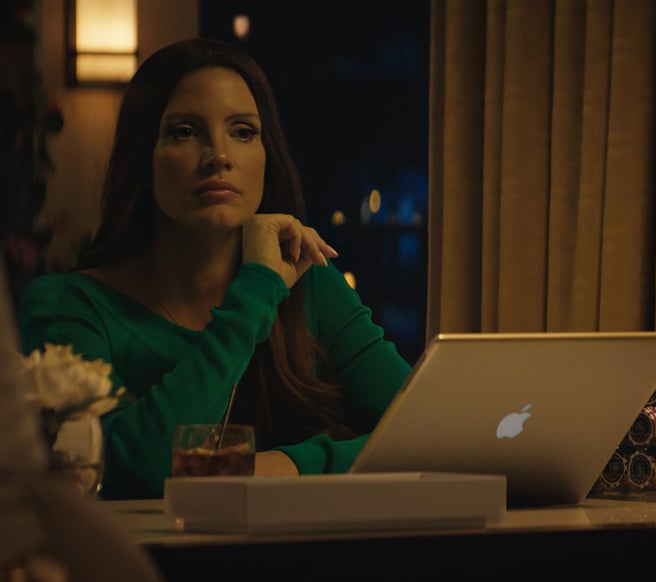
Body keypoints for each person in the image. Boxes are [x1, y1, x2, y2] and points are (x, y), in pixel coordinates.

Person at [16, 38, 412, 500]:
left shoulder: (311, 285)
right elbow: (133, 469)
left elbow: (426, 435)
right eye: (185, 131)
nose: (218, 156)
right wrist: (255, 294)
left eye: (242, 132)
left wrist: (289, 465)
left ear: (267, 154)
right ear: (142, 156)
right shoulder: (69, 305)